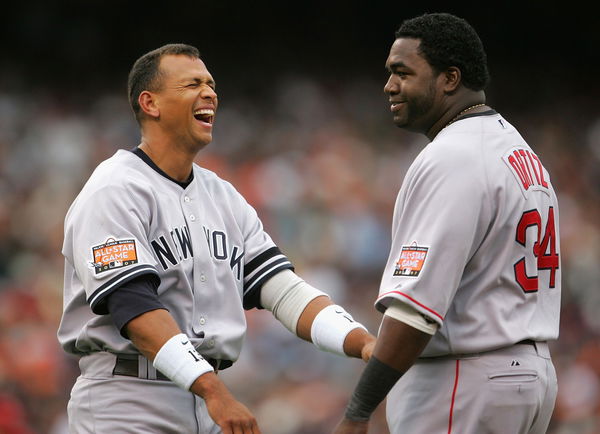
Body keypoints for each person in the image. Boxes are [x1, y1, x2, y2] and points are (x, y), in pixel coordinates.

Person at [57, 43, 375, 434]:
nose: (209, 93)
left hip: (205, 399)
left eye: (211, 85)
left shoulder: (221, 194)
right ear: (150, 103)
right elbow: (133, 308)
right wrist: (213, 390)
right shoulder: (114, 188)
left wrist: (362, 343)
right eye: (192, 84)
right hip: (128, 400)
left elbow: (281, 290)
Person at [334, 12, 560, 434]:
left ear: (450, 79)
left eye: (403, 72)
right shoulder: (517, 148)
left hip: (466, 378)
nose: (389, 85)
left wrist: (358, 411)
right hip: (528, 376)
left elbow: (416, 311)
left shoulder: (453, 155)